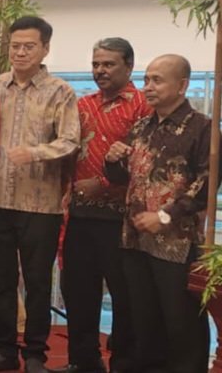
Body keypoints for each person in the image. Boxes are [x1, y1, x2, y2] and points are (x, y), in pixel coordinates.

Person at [0, 17, 78, 373]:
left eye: (29, 46)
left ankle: (35, 354)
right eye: (15, 46)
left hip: (40, 205)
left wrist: (35, 153)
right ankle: (4, 350)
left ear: (45, 49)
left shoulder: (60, 91)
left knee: (37, 283)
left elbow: (70, 141)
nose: (20, 53)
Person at [106, 54, 211, 373]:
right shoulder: (141, 127)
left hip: (176, 243)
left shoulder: (202, 128)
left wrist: (165, 216)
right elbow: (122, 179)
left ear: (182, 85)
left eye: (157, 80)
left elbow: (207, 183)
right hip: (136, 239)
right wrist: (112, 160)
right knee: (144, 320)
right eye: (146, 79)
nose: (148, 87)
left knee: (181, 323)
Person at [60, 38, 146, 373]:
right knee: (78, 290)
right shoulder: (82, 105)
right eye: (96, 64)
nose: (100, 71)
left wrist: (105, 184)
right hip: (80, 215)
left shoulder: (143, 106)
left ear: (129, 66)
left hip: (121, 219)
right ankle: (83, 361)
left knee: (125, 296)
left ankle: (123, 363)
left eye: (108, 64)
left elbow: (146, 161)